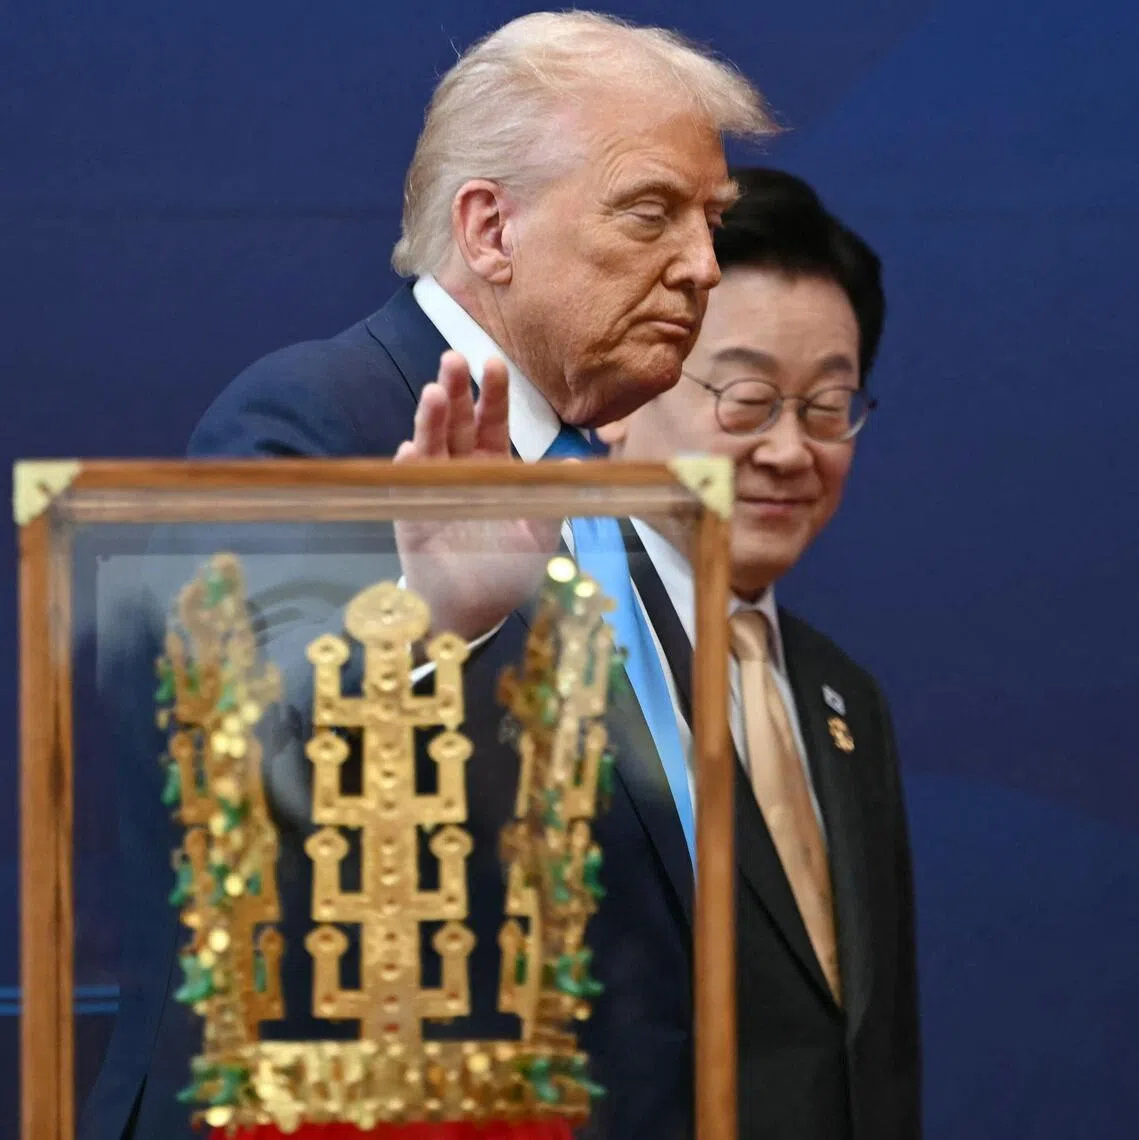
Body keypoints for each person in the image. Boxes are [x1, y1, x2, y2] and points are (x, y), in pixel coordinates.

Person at [79, 13, 772, 1140]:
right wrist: (426, 628)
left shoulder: (599, 478)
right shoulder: (313, 416)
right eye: (651, 213)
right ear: (489, 229)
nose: (702, 265)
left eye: (711, 222)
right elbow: (227, 770)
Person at [596, 167, 922, 1139]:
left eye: (828, 407)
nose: (790, 450)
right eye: (746, 398)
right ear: (621, 394)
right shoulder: (539, 664)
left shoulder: (842, 696)